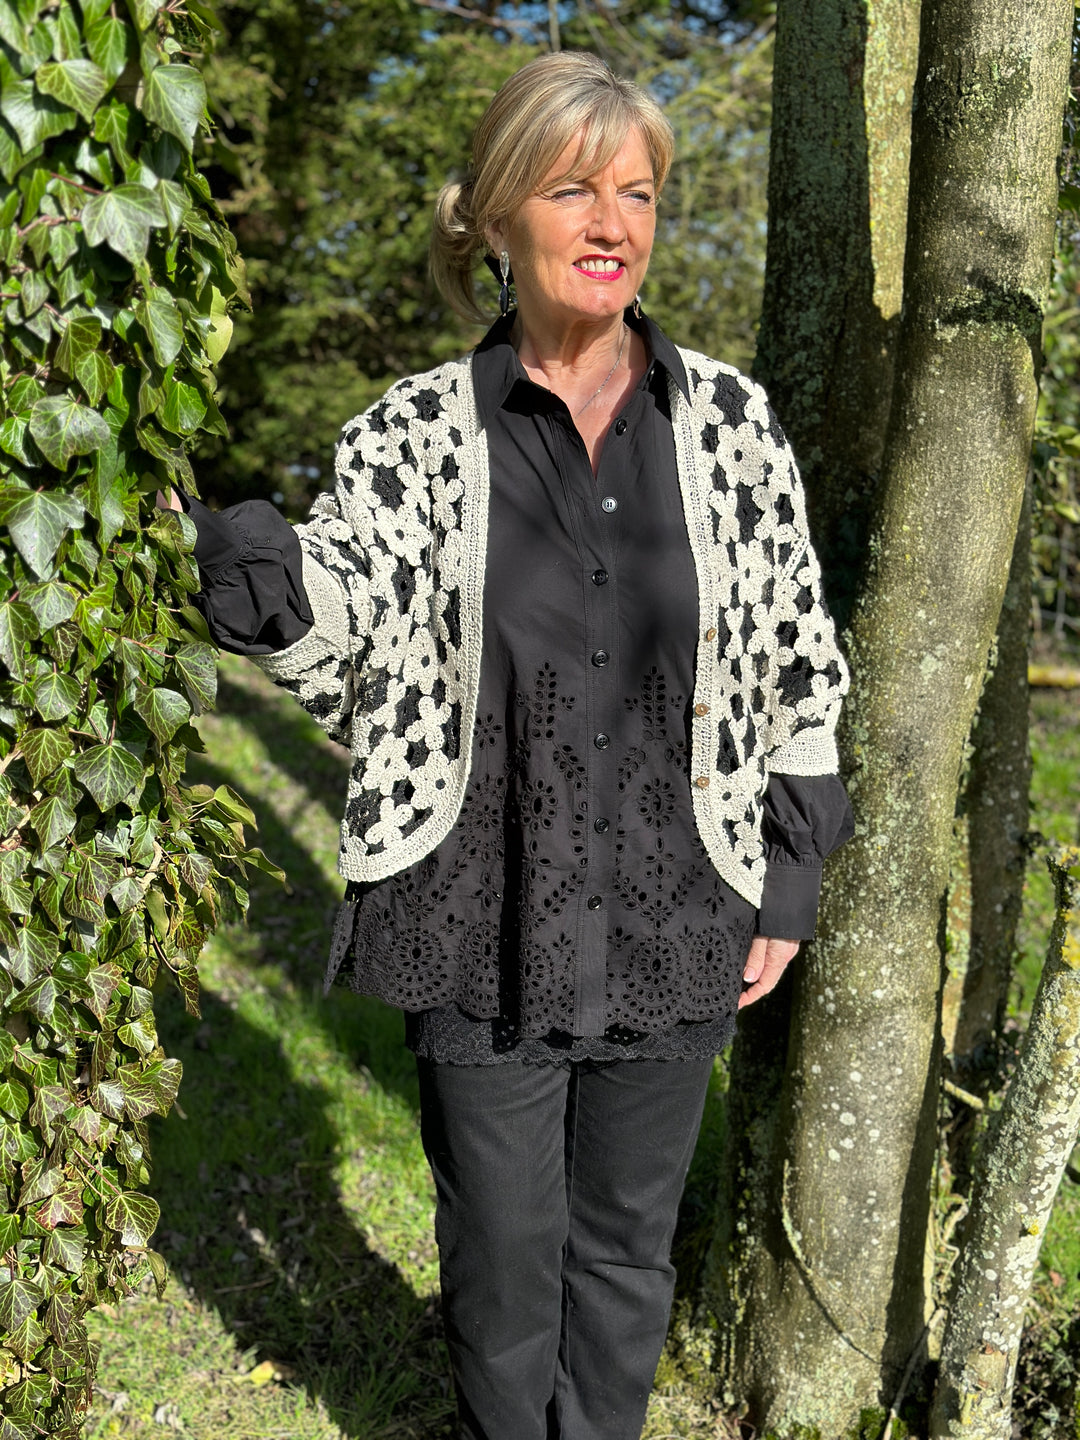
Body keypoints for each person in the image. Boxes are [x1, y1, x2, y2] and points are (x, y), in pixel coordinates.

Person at [171, 52, 853, 1440]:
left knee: (626, 1258)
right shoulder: (412, 435)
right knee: (499, 1269)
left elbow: (797, 654)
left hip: (680, 900)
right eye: (572, 190)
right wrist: (267, 578)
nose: (612, 224)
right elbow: (350, 628)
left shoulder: (730, 428)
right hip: (476, 906)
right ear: (494, 219)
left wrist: (788, 884)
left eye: (638, 193)